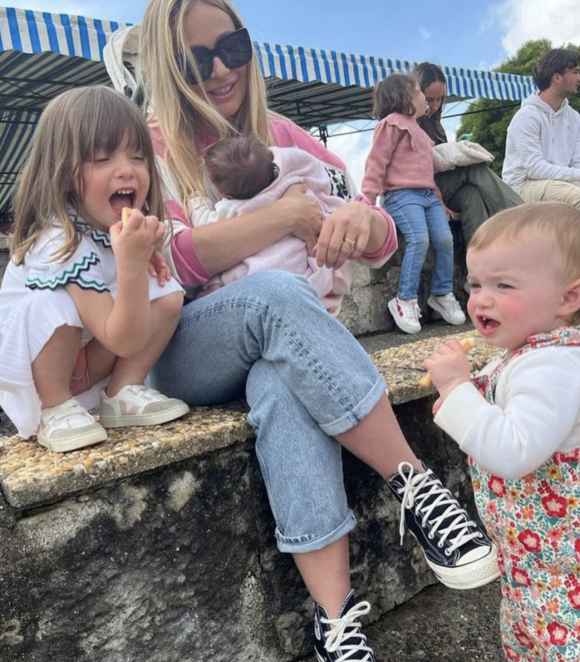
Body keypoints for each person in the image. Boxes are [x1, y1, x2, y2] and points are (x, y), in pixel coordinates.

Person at [135, 2, 500, 659]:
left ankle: (337, 626)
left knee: (279, 383)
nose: (221, 69)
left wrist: (366, 224)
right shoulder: (149, 147)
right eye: (197, 59)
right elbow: (166, 261)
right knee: (276, 293)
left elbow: (379, 233)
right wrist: (283, 219)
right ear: (168, 66)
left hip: (273, 346)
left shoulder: (284, 135)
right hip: (180, 346)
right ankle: (417, 487)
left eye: (233, 46)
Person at [424, 202, 580, 661]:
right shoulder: (530, 356)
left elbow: (514, 452)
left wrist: (455, 387)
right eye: (475, 284)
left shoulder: (551, 366)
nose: (480, 300)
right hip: (534, 562)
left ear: (568, 299)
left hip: (561, 571)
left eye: (503, 285)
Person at [0, 86, 190, 453]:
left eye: (137, 156)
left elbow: (125, 321)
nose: (126, 170)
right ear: (63, 172)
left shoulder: (109, 230)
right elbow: (120, 337)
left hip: (88, 350)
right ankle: (53, 410)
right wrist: (132, 266)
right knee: (51, 304)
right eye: (101, 159)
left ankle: (120, 392)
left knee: (166, 292)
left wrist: (141, 262)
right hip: (35, 364)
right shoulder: (59, 240)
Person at [194, 135, 352, 315]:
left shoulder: (232, 210)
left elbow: (204, 224)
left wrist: (196, 202)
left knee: (221, 284)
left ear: (223, 192)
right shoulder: (295, 187)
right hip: (304, 280)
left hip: (258, 284)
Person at [362, 73, 466, 335]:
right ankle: (404, 298)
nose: (426, 98)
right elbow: (377, 162)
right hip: (401, 195)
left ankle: (441, 293)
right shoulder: (391, 124)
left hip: (429, 196)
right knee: (419, 239)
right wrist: (367, 198)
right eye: (420, 91)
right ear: (405, 96)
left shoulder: (418, 128)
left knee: (444, 239)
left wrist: (440, 202)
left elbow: (426, 174)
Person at [415, 62, 522, 248]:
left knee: (471, 196)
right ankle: (523, 218)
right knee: (474, 167)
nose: (434, 106)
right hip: (421, 190)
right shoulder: (408, 123)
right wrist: (437, 199)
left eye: (439, 99)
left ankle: (480, 262)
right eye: (429, 99)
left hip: (439, 187)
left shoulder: (435, 124)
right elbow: (414, 170)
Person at [502, 49, 580, 209]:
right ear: (557, 77)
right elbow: (535, 169)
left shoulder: (574, 117)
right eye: (575, 72)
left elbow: (577, 162)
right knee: (577, 197)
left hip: (558, 182)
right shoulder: (526, 116)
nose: (579, 78)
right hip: (522, 186)